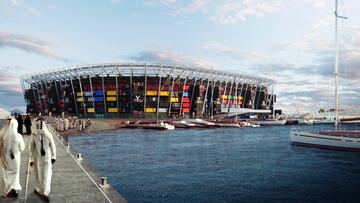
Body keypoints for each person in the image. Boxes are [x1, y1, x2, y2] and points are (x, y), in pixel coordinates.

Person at [29, 117, 56, 202]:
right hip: (44, 159)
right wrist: (54, 156)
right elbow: (53, 145)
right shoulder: (47, 134)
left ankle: (41, 190)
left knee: (41, 175)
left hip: (39, 159)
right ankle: (42, 191)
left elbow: (30, 148)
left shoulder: (35, 134)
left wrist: (30, 159)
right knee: (45, 175)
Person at [0, 117, 25, 198]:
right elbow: (22, 148)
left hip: (4, 160)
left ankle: (6, 191)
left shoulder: (1, 135)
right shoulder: (18, 136)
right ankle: (14, 190)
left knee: (5, 176)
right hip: (15, 160)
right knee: (15, 176)